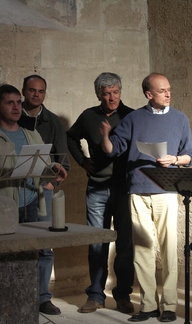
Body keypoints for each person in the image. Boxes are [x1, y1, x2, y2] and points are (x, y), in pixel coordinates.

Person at [0, 84, 67, 314]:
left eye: (19, 102)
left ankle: (41, 298)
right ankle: (5, 298)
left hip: (32, 199)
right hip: (3, 203)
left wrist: (55, 168)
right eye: (10, 103)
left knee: (42, 249)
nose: (17, 107)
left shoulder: (31, 134)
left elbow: (44, 165)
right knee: (4, 252)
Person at [100, 72, 192, 322]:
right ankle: (148, 305)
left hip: (166, 190)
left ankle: (171, 306)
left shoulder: (180, 119)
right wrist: (104, 137)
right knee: (142, 249)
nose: (167, 94)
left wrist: (174, 159)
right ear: (148, 94)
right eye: (162, 90)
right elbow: (113, 149)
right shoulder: (133, 119)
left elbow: (189, 155)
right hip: (138, 189)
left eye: (169, 89)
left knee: (168, 249)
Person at [66, 72, 135, 314]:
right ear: (99, 95)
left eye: (116, 92)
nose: (112, 97)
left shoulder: (131, 115)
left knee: (126, 244)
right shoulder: (88, 116)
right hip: (96, 188)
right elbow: (70, 138)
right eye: (106, 94)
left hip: (125, 188)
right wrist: (82, 161)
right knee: (97, 242)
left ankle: (123, 294)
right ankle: (96, 295)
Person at [18, 74, 70, 315]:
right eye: (31, 90)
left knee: (44, 246)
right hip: (14, 191)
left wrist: (51, 185)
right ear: (23, 92)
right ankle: (18, 295)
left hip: (42, 191)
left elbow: (62, 159)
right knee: (15, 244)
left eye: (40, 91)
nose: (36, 94)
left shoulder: (53, 122)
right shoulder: (8, 117)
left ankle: (42, 298)